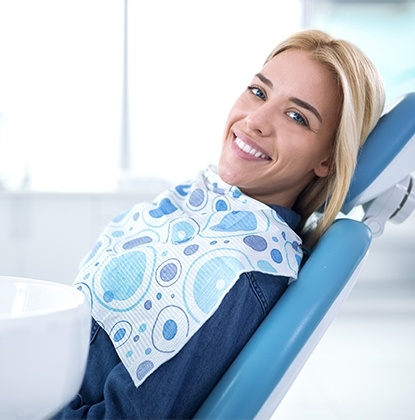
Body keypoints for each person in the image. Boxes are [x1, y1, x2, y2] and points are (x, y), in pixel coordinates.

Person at [54, 29, 385, 419]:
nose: (255, 120)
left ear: (327, 160)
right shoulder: (200, 203)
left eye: (297, 116)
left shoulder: (237, 272)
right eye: (259, 92)